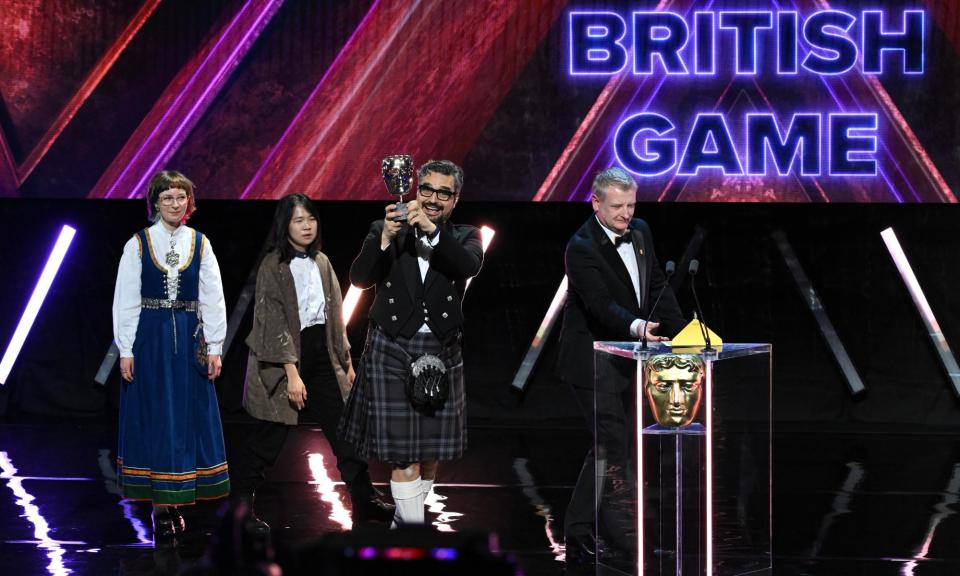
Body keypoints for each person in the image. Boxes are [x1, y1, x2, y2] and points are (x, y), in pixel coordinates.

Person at [340, 159, 483, 526]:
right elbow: (359, 278)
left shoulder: (466, 236)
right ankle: (413, 533)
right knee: (404, 456)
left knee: (429, 454)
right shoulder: (385, 229)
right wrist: (386, 239)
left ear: (455, 199)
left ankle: (405, 523)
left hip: (441, 350)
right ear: (416, 190)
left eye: (443, 192)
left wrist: (434, 232)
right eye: (427, 189)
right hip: (391, 347)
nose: (433, 198)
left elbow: (466, 266)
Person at [238, 193, 393, 530]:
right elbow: (272, 321)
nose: (307, 226)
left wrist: (346, 360)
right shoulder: (272, 265)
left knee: (346, 432)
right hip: (283, 360)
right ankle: (238, 512)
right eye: (298, 220)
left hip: (322, 353)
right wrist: (291, 373)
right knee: (268, 439)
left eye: (310, 219)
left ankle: (364, 501)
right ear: (285, 225)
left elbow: (334, 314)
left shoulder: (321, 261)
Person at [557, 167, 686, 562]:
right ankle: (604, 534)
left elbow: (656, 290)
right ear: (595, 202)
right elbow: (600, 305)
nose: (626, 214)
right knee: (611, 445)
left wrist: (686, 335)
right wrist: (638, 327)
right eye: (617, 206)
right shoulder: (580, 247)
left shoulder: (642, 231)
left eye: (631, 204)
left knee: (611, 447)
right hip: (590, 362)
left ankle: (582, 529)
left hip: (627, 360)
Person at [112, 170, 230, 540]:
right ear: (155, 203)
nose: (175, 204)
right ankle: (161, 508)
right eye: (167, 199)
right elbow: (126, 300)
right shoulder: (139, 244)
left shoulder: (200, 243)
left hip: (188, 341)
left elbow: (213, 296)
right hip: (152, 339)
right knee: (159, 417)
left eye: (180, 198)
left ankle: (178, 495)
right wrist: (126, 349)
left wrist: (215, 346)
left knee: (185, 418)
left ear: (188, 203)